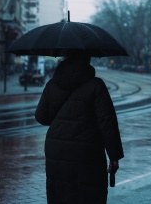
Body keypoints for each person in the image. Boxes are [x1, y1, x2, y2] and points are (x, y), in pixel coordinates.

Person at [35, 53, 124, 204]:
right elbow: (107, 122)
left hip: (57, 151)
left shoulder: (52, 84)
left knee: (60, 195)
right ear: (88, 59)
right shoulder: (96, 85)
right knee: (89, 194)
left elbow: (41, 117)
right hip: (87, 152)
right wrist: (114, 155)